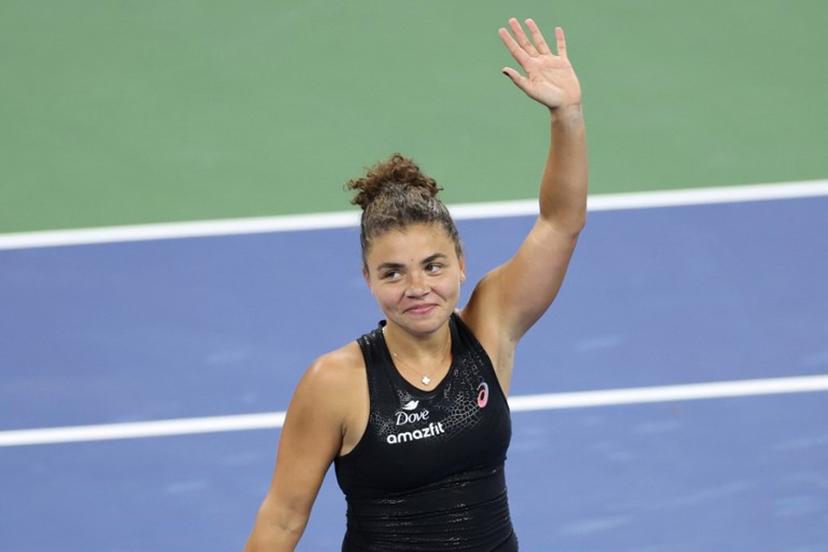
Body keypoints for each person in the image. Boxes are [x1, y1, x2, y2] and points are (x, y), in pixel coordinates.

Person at [244, 16, 586, 551]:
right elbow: (283, 519)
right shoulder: (335, 382)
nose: (417, 287)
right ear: (368, 279)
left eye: (433, 265)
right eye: (393, 272)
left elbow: (560, 222)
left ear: (461, 263)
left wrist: (567, 115)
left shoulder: (491, 326)